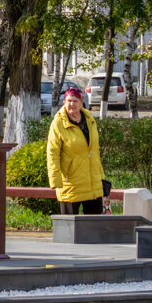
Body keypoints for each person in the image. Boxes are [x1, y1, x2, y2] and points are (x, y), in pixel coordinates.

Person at [46, 85, 106, 215]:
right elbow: (52, 152)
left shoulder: (89, 119)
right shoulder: (58, 123)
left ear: (81, 102)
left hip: (92, 181)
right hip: (70, 182)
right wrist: (55, 179)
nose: (72, 104)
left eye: (75, 101)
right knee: (69, 228)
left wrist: (101, 176)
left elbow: (95, 151)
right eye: (69, 101)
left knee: (94, 226)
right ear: (64, 102)